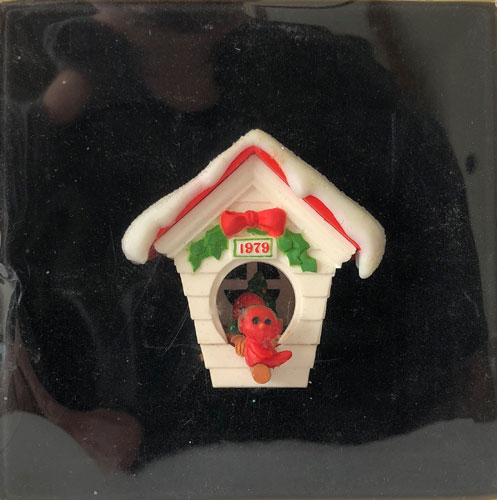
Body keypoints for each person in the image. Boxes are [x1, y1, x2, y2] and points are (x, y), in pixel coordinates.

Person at [3, 1, 494, 471]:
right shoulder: (53, 130)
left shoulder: (340, 85)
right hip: (138, 462)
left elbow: (457, 327)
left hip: (363, 449)